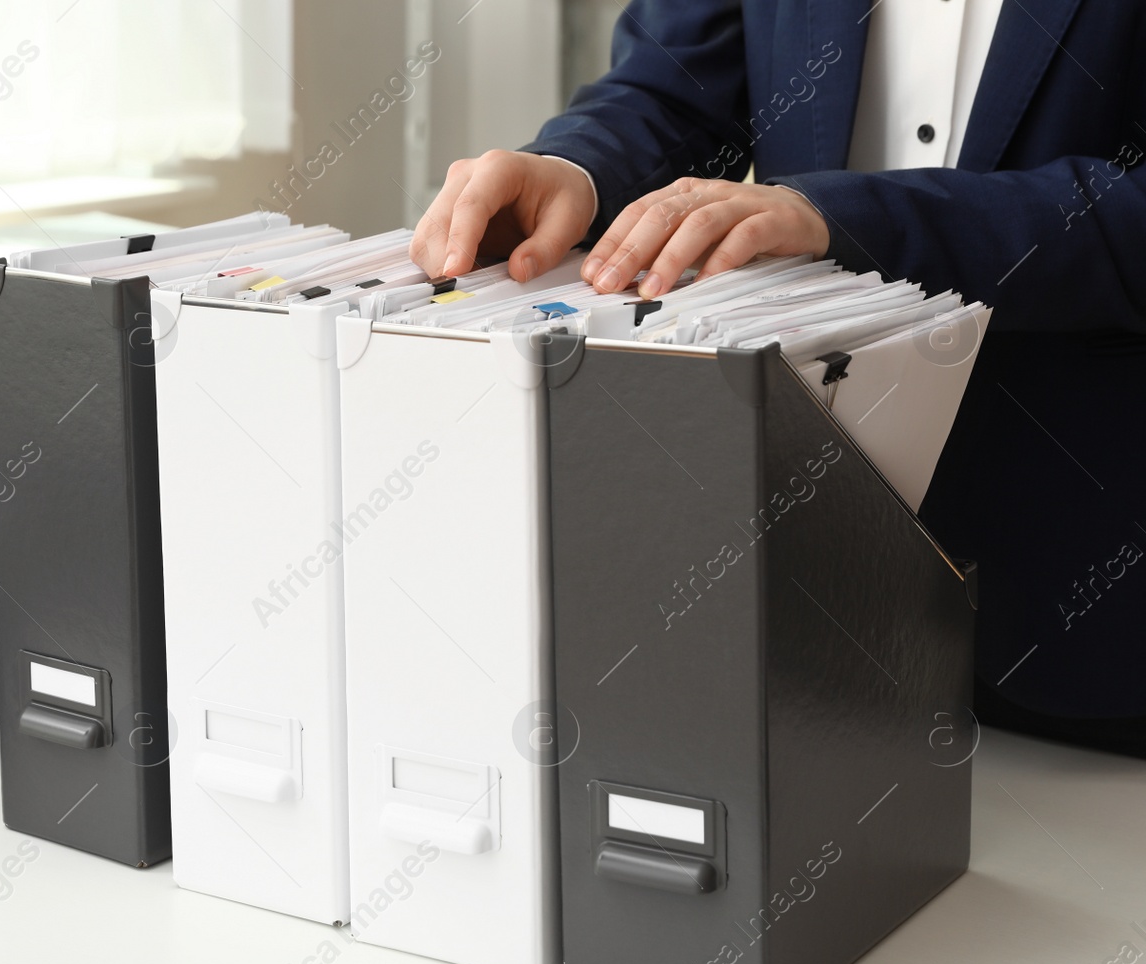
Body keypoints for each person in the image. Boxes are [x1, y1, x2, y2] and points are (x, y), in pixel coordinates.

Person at [411, 1, 1146, 753]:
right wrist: (572, 169)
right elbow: (673, 88)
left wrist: (845, 218)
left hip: (1090, 628)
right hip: (795, 633)